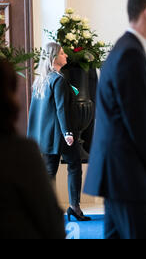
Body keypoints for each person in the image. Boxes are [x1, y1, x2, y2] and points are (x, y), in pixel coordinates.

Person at [83, 0, 146, 239]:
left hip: (120, 175)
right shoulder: (131, 55)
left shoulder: (127, 49)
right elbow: (140, 127)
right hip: (128, 176)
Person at [0, 59, 66, 239]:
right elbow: (51, 222)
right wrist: (67, 132)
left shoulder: (39, 80)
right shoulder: (19, 153)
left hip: (39, 133)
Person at [27, 42, 91, 222]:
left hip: (45, 135)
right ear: (54, 57)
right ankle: (75, 207)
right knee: (74, 165)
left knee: (49, 172)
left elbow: (37, 111)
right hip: (61, 134)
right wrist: (68, 132)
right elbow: (61, 108)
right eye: (63, 53)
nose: (66, 56)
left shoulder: (41, 80)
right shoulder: (58, 79)